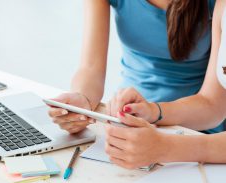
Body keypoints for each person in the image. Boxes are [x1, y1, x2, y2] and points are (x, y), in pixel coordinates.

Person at [48, 0, 223, 134]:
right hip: (127, 119)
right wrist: (83, 100)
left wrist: (153, 112)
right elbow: (90, 68)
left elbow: (213, 106)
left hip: (196, 126)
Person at [105, 0, 226, 169]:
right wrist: (152, 112)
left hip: (197, 134)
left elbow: (213, 106)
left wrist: (166, 147)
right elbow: (213, 103)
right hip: (141, 127)